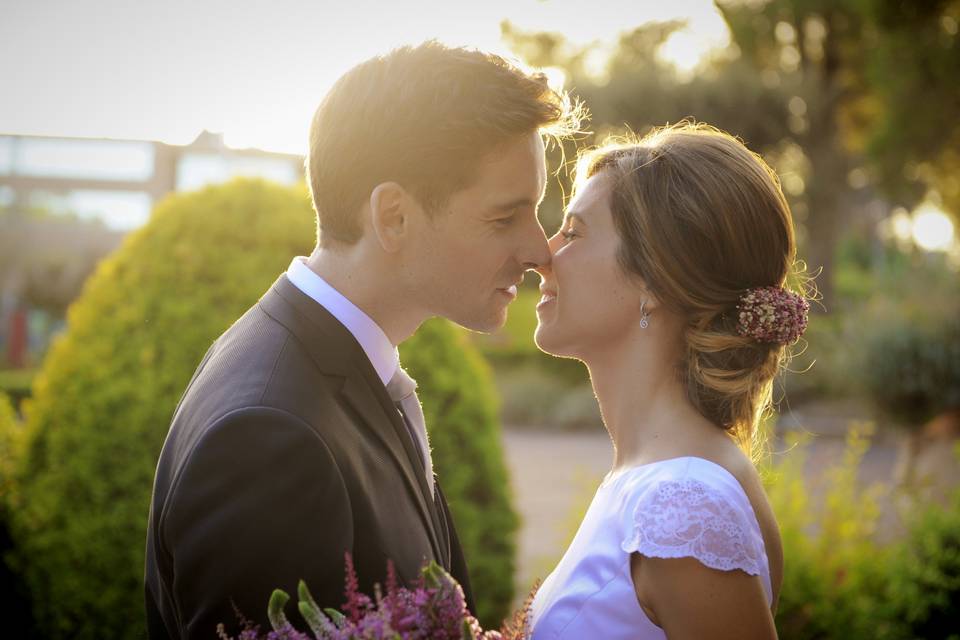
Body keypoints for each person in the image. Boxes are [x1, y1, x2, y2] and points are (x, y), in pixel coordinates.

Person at [144, 41, 583, 639]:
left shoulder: (323, 368)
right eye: (505, 217)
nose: (538, 251)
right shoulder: (270, 437)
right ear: (393, 216)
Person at [529, 122, 810, 639]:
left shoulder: (684, 503)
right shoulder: (652, 478)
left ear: (653, 281)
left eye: (573, 232)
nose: (543, 254)